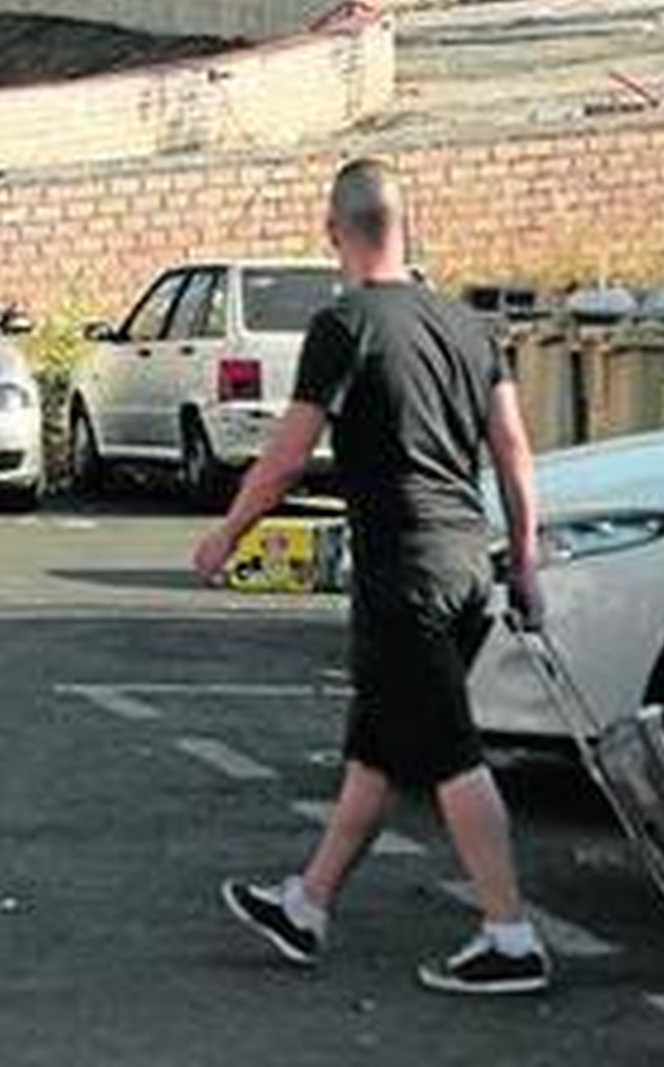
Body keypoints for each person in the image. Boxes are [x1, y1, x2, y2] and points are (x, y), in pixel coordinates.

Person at [191, 157, 551, 995]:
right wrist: (525, 561)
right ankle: (306, 905)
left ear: (333, 233)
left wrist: (227, 535)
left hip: (404, 574)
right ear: (404, 227)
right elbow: (513, 451)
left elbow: (284, 458)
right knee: (378, 748)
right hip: (466, 565)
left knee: (448, 752)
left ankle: (511, 935)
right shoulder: (467, 326)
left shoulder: (343, 325)